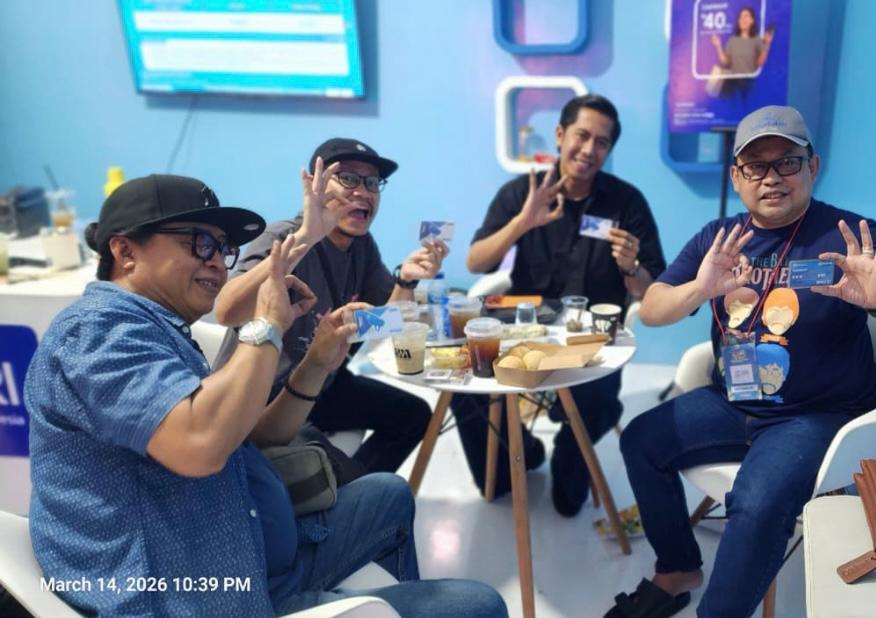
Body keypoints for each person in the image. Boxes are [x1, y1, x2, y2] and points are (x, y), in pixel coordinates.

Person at [25, 174, 506, 617]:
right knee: (478, 605)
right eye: (199, 243)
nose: (217, 261)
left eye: (223, 248)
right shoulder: (98, 330)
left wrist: (316, 361)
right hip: (204, 596)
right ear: (125, 251)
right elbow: (200, 446)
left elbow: (256, 436)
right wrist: (268, 324)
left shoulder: (162, 329)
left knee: (389, 493)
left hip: (251, 555)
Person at [608, 106, 876, 617]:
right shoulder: (718, 238)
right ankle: (677, 569)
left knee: (757, 500)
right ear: (736, 178)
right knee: (640, 440)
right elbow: (653, 309)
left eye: (787, 162)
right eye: (755, 166)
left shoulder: (851, 235)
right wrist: (699, 289)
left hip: (816, 415)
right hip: (731, 401)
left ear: (813, 167)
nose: (771, 178)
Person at [457, 94, 667, 515]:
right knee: (466, 387)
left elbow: (652, 290)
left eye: (602, 143)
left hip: (592, 340)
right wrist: (522, 223)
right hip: (522, 330)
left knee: (598, 405)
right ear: (559, 135)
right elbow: (476, 262)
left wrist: (631, 267)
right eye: (582, 136)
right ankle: (522, 454)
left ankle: (568, 465)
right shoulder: (524, 192)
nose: (589, 150)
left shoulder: (626, 203)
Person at [212, 138, 449, 474]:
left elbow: (387, 323)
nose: (363, 191)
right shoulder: (284, 236)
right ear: (316, 185)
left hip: (323, 382)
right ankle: (347, 491)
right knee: (334, 475)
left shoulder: (362, 246)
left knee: (413, 415)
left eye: (372, 182)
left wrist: (407, 280)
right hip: (264, 396)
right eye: (348, 178)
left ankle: (351, 494)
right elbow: (226, 312)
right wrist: (307, 236)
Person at [709, 7, 774, 104]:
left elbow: (760, 62)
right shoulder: (733, 40)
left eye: (746, 16)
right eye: (741, 17)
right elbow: (726, 62)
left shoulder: (756, 40)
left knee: (748, 106)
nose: (743, 19)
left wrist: (767, 44)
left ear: (752, 20)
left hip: (748, 83)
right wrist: (718, 46)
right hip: (733, 84)